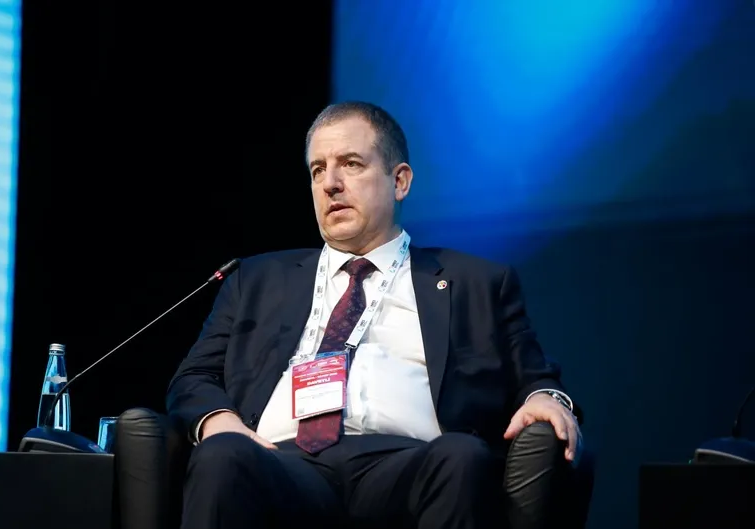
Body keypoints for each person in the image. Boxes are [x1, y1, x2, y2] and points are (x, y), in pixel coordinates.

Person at [166, 101, 583, 529]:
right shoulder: (254, 279)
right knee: (222, 454)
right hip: (280, 462)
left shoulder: (476, 281)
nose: (330, 184)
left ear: (399, 181)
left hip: (410, 462)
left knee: (462, 456)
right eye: (317, 170)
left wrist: (545, 399)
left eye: (350, 164)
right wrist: (220, 422)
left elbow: (536, 379)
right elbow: (193, 377)